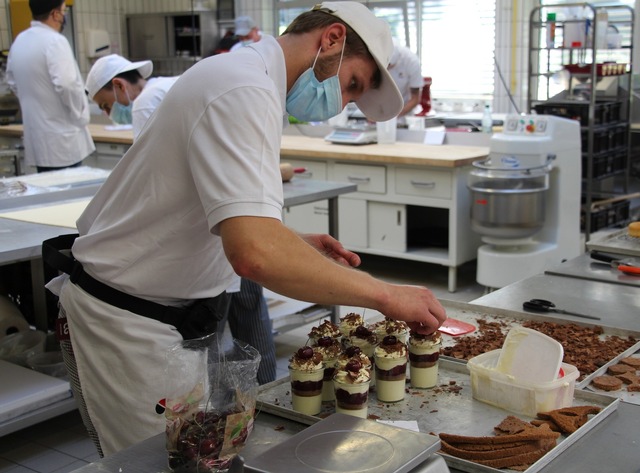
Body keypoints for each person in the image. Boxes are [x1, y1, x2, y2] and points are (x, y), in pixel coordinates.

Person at [46, 1, 446, 456]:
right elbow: (254, 253)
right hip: (129, 322)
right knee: (156, 462)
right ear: (331, 39)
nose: (342, 102)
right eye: (351, 84)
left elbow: (217, 214)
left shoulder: (248, 80)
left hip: (168, 316)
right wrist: (386, 294)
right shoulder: (243, 87)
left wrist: (291, 241)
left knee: (190, 456)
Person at [85, 54, 278, 384]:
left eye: (106, 104)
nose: (109, 112)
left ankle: (210, 408)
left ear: (118, 85)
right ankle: (265, 390)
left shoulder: (146, 102)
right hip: (235, 217)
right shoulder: (171, 86)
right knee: (250, 308)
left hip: (212, 232)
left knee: (205, 338)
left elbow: (155, 182)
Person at [6, 0, 94, 173]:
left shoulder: (20, 41)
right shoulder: (55, 41)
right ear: (55, 14)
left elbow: (12, 82)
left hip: (37, 139)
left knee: (49, 192)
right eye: (63, 11)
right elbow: (67, 84)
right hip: (63, 141)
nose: (64, 15)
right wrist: (80, 116)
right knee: (68, 196)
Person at [85, 54, 179, 138]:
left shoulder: (144, 104)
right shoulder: (168, 84)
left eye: (105, 105)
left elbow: (150, 156)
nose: (109, 114)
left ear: (119, 85)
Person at [388, 43, 425, 117]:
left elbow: (415, 98)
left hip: (403, 114)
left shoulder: (412, 62)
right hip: (377, 111)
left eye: (389, 66)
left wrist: (393, 116)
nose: (387, 69)